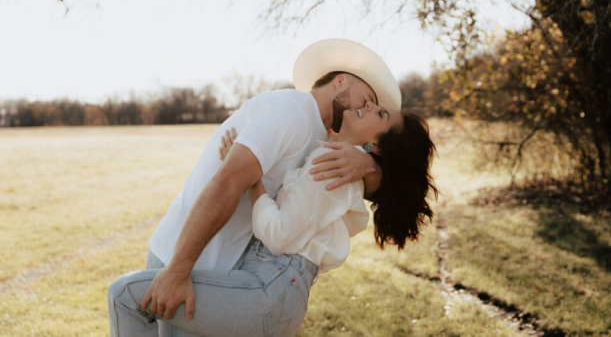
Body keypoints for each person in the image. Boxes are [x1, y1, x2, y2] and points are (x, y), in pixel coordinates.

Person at [108, 39, 406, 336]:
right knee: (125, 298)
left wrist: (370, 164)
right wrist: (177, 269)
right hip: (186, 257)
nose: (365, 108)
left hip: (222, 270)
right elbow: (225, 184)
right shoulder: (289, 113)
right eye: (365, 98)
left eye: (373, 108)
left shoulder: (324, 138)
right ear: (340, 81)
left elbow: (372, 187)